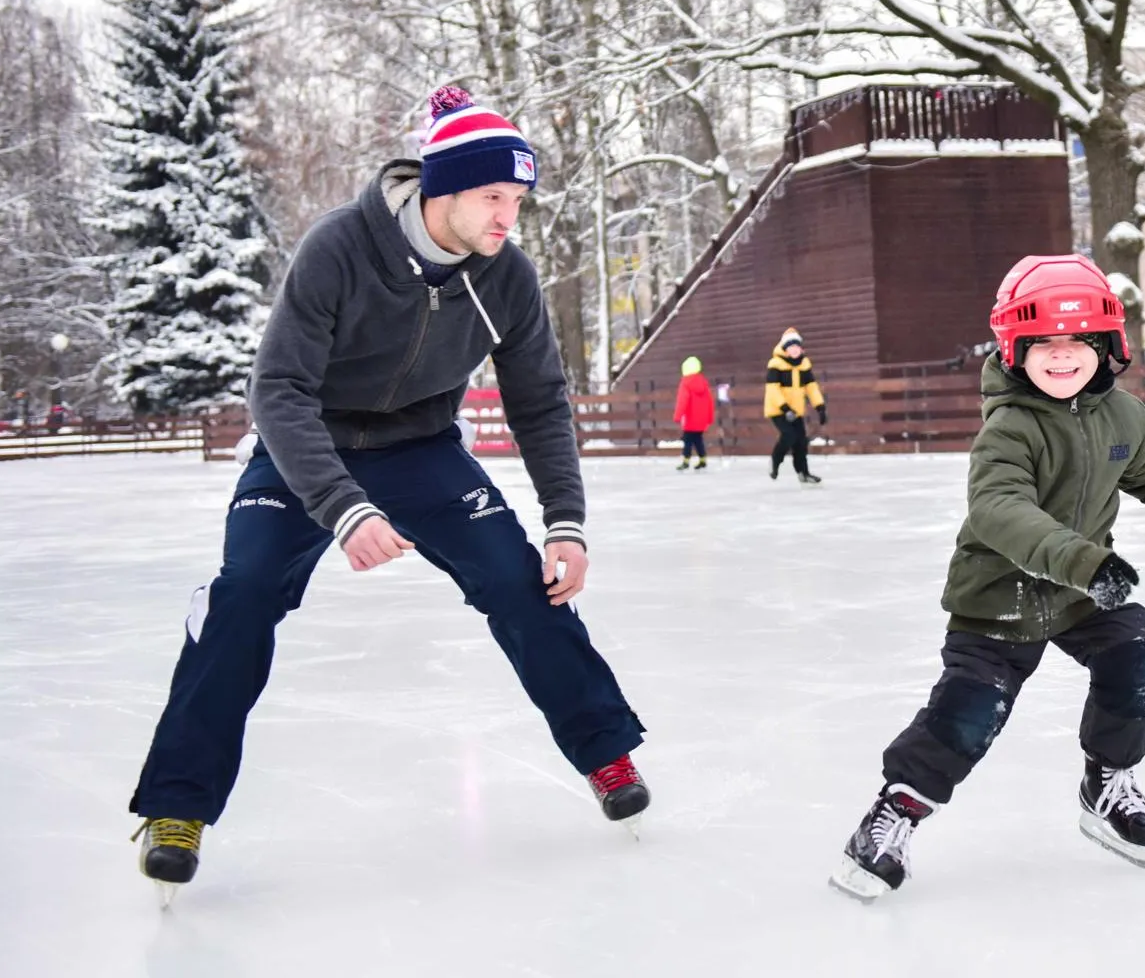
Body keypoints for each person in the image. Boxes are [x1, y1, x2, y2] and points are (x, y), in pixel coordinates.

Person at [127, 85, 650, 897]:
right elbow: (278, 390)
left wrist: (568, 522)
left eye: (517, 199)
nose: (508, 217)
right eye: (492, 197)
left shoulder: (505, 276)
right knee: (246, 593)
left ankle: (605, 752)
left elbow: (539, 400)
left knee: (523, 584)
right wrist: (342, 506)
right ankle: (176, 807)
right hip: (308, 445)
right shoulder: (340, 247)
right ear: (443, 187)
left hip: (421, 448)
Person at [829, 253, 1145, 902]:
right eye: (1042, 344)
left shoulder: (1123, 418)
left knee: (1142, 656)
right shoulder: (1009, 429)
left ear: (1108, 345)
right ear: (1013, 348)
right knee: (970, 714)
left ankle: (1106, 781)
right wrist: (1086, 560)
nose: (1060, 357)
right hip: (1000, 598)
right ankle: (890, 819)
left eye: (1077, 343)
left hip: (1082, 595)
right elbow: (999, 510)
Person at [763, 327, 825, 484]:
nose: (794, 350)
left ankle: (803, 473)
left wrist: (820, 407)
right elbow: (772, 389)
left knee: (801, 441)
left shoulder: (804, 364)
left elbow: (811, 387)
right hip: (778, 409)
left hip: (796, 410)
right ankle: (775, 461)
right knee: (789, 435)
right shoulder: (775, 364)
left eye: (797, 346)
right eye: (791, 347)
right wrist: (785, 408)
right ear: (785, 349)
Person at [674, 355, 714, 470]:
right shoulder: (704, 383)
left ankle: (686, 461)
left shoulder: (685, 383)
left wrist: (678, 415)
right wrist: (709, 418)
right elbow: (709, 402)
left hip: (690, 418)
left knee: (687, 440)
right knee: (698, 439)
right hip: (701, 419)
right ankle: (703, 459)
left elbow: (682, 401)